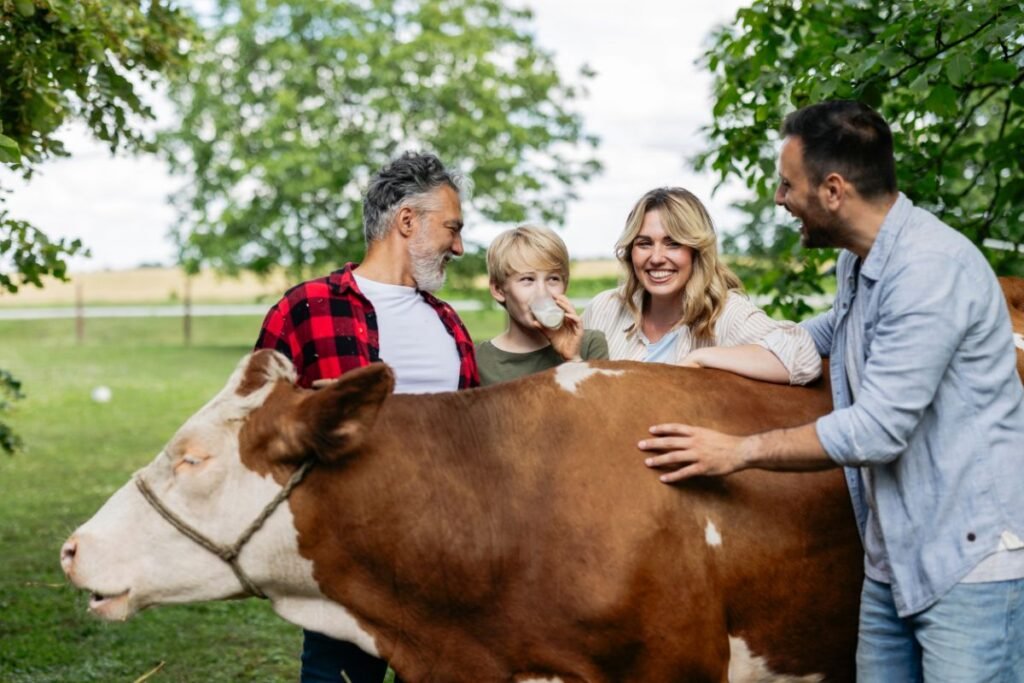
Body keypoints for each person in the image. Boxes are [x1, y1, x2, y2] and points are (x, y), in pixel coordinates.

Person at [639, 101, 1024, 682]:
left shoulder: (929, 269)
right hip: (893, 561)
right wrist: (708, 353)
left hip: (967, 564)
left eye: (787, 184)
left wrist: (738, 450)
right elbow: (816, 337)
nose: (778, 198)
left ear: (834, 190)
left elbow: (877, 429)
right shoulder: (860, 263)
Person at [254, 151, 479, 683]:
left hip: (446, 569)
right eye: (452, 228)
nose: (460, 246)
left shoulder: (449, 324)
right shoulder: (305, 308)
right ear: (407, 221)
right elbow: (257, 432)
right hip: (347, 570)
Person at [582, 186, 821, 384]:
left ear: (697, 251)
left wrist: (702, 357)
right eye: (644, 243)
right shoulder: (605, 307)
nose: (656, 257)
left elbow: (802, 355)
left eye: (673, 244)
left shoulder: (726, 313)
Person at [476, 225, 608, 385]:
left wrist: (573, 359)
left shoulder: (589, 344)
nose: (542, 293)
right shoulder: (477, 360)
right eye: (527, 279)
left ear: (565, 286)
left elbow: (602, 408)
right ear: (498, 290)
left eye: (553, 279)